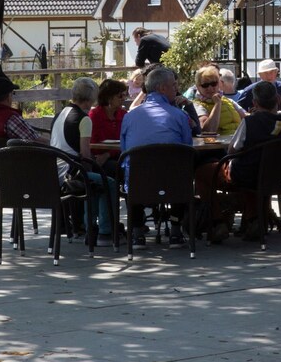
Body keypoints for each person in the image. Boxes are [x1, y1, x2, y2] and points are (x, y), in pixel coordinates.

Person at [195, 80, 281, 243]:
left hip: (249, 174)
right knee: (251, 168)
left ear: (254, 103)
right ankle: (254, 220)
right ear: (279, 100)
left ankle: (218, 223)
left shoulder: (250, 122)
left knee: (203, 172)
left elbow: (232, 151)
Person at [119, 66, 194, 246]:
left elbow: (124, 152)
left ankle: (137, 231)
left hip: (139, 182)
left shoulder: (129, 117)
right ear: (162, 88)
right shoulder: (180, 116)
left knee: (130, 172)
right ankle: (176, 229)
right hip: (173, 181)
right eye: (174, 85)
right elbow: (187, 149)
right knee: (185, 173)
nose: (177, 88)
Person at [49, 77, 117, 247]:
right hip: (71, 175)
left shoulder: (59, 114)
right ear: (91, 98)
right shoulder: (84, 119)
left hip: (54, 172)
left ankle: (89, 226)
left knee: (97, 178)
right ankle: (104, 231)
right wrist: (99, 162)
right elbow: (85, 156)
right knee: (108, 183)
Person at [191, 64, 244, 138]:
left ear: (219, 84)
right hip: (220, 146)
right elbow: (208, 131)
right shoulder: (197, 105)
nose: (210, 88)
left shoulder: (227, 100)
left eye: (213, 84)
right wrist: (217, 104)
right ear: (198, 87)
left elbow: (245, 116)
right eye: (205, 85)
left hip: (238, 141)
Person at [89, 78, 129, 171]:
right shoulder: (94, 115)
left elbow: (128, 141)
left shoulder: (124, 115)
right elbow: (94, 146)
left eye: (124, 95)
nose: (124, 98)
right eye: (120, 96)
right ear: (108, 97)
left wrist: (108, 154)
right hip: (99, 159)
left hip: (118, 156)